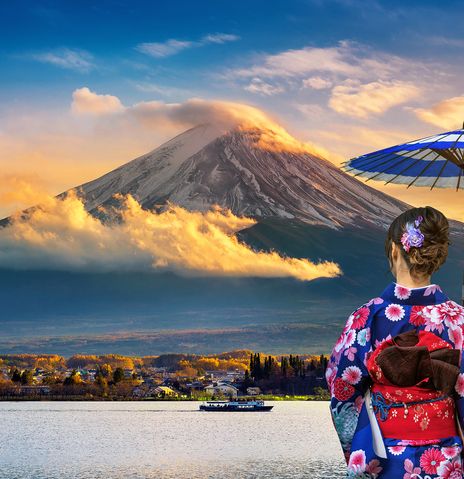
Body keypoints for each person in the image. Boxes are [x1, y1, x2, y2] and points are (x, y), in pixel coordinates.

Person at [326, 206, 464, 478]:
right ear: (436, 258)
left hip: (384, 459)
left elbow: (341, 388)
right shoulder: (458, 320)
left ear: (393, 251)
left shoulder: (366, 317)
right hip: (446, 461)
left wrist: (357, 451)